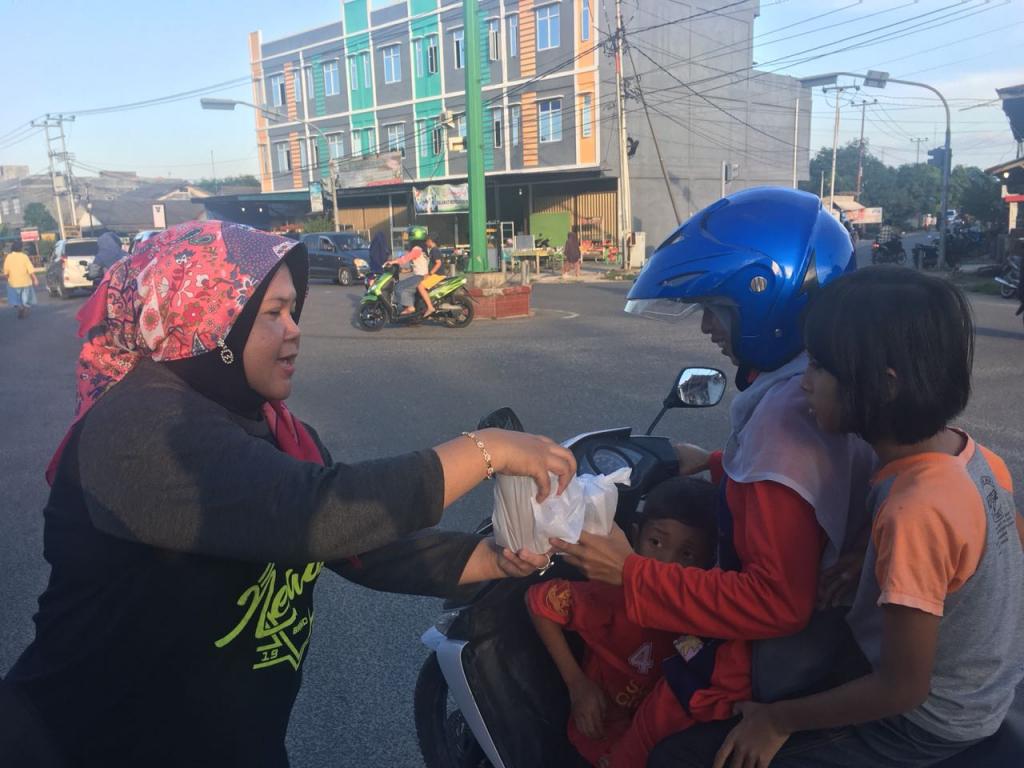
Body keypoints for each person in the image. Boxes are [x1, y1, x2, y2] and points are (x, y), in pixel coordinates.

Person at [0, 220, 576, 767]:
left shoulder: (275, 430)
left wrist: (491, 560)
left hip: (229, 743)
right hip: (88, 741)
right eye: (272, 312)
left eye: (292, 310)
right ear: (208, 319)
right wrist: (485, 449)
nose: (295, 328)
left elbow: (359, 542)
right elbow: (316, 512)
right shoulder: (142, 428)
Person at [549, 187, 877, 768]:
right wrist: (713, 461)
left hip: (763, 659)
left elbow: (777, 603)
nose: (707, 326)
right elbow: (805, 490)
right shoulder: (817, 388)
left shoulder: (786, 420)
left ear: (767, 300)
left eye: (719, 309)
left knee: (643, 746)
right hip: (827, 642)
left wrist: (631, 572)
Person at [710, 267, 1024, 768]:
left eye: (818, 367)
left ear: (883, 386)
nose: (804, 384)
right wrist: (866, 557)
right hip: (983, 691)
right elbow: (972, 567)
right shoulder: (975, 459)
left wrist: (777, 720)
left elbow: (902, 688)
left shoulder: (915, 509)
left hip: (924, 723)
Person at [528, 477, 741, 768]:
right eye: (656, 542)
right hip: (602, 728)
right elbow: (538, 601)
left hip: (662, 734)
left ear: (707, 563)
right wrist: (578, 684)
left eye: (687, 554)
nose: (664, 563)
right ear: (634, 536)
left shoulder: (699, 611)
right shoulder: (613, 595)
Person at [384, 225, 430, 316]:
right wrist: (404, 270)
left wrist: (392, 262)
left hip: (419, 277)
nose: (408, 238)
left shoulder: (416, 249)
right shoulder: (422, 249)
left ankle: (410, 307)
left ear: (415, 236)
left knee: (399, 287)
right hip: (421, 275)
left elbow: (405, 259)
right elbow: (417, 266)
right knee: (402, 284)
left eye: (410, 235)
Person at [3, 242, 38, 319]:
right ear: (20, 248)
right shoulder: (24, 256)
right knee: (26, 298)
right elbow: (30, 269)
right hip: (25, 281)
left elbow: (6, 271)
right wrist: (35, 279)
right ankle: (25, 307)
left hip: (13, 282)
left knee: (16, 298)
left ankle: (20, 307)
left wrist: (7, 279)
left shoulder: (9, 257)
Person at [416, 235, 445, 318]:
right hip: (436, 275)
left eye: (427, 241)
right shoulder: (433, 250)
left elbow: (438, 263)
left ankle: (430, 307)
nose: (425, 243)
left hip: (437, 275)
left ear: (430, 241)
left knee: (420, 286)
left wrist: (430, 274)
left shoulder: (434, 250)